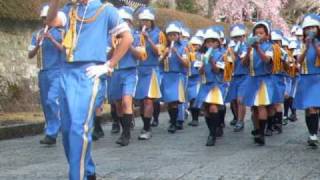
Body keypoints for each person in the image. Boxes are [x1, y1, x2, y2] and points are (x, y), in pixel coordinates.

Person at [46, 0, 133, 179]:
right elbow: (51, 21)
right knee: (67, 129)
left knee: (79, 127)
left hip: (89, 72)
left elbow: (127, 37)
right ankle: (89, 170)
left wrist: (108, 65)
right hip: (65, 71)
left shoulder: (106, 9)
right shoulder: (70, 9)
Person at [28, 4, 63, 145]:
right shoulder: (37, 34)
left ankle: (54, 129)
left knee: (52, 99)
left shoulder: (62, 33)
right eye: (43, 18)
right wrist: (38, 44)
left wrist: (52, 39)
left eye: (47, 18)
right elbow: (30, 55)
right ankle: (51, 132)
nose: (45, 21)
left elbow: (66, 51)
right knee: (45, 104)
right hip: (43, 72)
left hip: (58, 71)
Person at [110, 6, 144, 145]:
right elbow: (106, 55)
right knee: (118, 104)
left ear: (130, 22)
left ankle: (126, 135)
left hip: (130, 71)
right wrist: (114, 47)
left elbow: (141, 56)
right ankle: (125, 126)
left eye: (125, 20)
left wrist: (127, 44)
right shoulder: (111, 37)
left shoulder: (136, 36)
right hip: (115, 72)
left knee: (126, 101)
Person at [134, 7, 166, 140]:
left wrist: (148, 39)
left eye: (147, 21)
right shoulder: (135, 33)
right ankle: (146, 124)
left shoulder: (158, 34)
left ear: (152, 21)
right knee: (141, 101)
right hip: (138, 70)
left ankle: (146, 128)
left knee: (148, 100)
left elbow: (159, 52)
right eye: (142, 21)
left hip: (151, 69)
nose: (144, 23)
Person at [242, 21, 274, 146]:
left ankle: (262, 133)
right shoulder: (249, 48)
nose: (258, 35)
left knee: (261, 105)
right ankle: (257, 129)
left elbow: (267, 60)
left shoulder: (270, 47)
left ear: (267, 35)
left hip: (263, 80)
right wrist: (249, 51)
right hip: (251, 79)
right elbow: (244, 64)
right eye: (256, 33)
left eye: (261, 33)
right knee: (253, 108)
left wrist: (258, 48)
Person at [197, 27, 227, 146]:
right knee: (206, 110)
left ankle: (212, 135)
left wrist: (211, 60)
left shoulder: (222, 55)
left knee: (213, 107)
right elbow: (199, 71)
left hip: (216, 84)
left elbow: (217, 70)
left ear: (217, 43)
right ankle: (212, 129)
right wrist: (203, 63)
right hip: (205, 84)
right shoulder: (201, 55)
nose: (210, 44)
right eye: (208, 42)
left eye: (213, 41)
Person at [294, 14, 320, 147]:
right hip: (305, 78)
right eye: (307, 28)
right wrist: (307, 46)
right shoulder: (301, 44)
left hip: (318, 78)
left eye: (313, 27)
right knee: (310, 107)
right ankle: (312, 134)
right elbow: (298, 61)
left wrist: (315, 45)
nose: (310, 30)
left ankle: (315, 130)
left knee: (316, 107)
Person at [160, 21, 189, 134]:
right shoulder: (164, 47)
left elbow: (186, 64)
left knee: (176, 100)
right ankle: (173, 121)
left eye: (174, 35)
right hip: (168, 75)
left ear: (178, 35)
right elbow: (159, 63)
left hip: (178, 75)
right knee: (169, 100)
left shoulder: (184, 47)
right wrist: (165, 55)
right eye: (170, 35)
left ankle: (175, 122)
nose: (172, 37)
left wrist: (177, 54)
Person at [225, 23, 248, 132]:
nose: (238, 39)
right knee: (233, 99)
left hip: (244, 75)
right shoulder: (231, 47)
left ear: (244, 36)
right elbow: (229, 63)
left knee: (240, 100)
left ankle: (240, 121)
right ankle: (236, 117)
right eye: (235, 37)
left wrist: (235, 53)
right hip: (234, 76)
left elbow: (243, 62)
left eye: (240, 37)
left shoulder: (246, 47)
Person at [187, 36, 203, 127]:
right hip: (187, 79)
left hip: (197, 79)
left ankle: (195, 119)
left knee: (194, 99)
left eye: (195, 45)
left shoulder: (201, 56)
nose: (193, 46)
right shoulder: (186, 54)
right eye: (192, 45)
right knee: (189, 99)